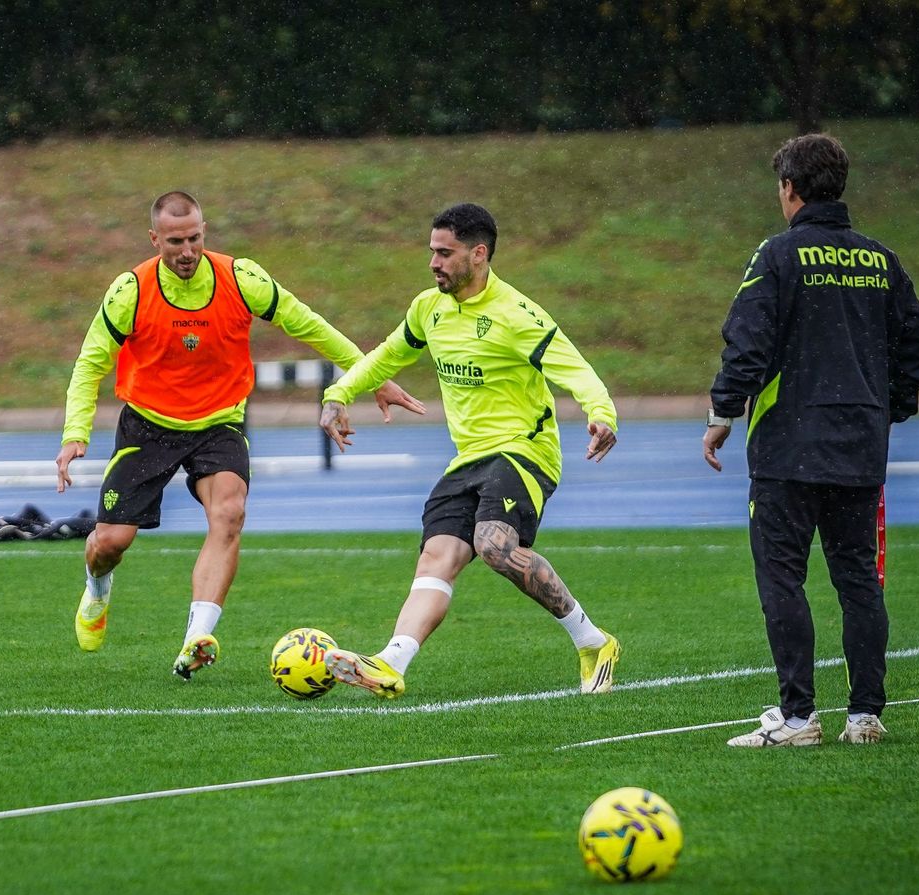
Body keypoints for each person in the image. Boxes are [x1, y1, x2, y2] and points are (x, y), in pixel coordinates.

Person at [54, 191, 424, 679]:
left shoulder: (241, 278)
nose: (186, 251)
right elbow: (90, 363)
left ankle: (196, 639)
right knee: (110, 544)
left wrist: (371, 377)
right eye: (174, 242)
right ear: (154, 239)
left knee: (229, 513)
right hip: (148, 424)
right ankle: (97, 591)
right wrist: (74, 432)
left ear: (204, 232)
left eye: (194, 239)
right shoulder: (131, 291)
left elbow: (309, 325)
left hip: (219, 423)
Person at [318, 202, 621, 699]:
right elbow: (386, 356)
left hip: (526, 451)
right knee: (435, 558)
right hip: (468, 458)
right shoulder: (428, 308)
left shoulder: (517, 314)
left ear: (478, 254)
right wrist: (338, 395)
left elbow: (575, 367)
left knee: (493, 544)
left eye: (445, 253)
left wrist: (601, 410)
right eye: (431, 252)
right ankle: (391, 663)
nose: (433, 262)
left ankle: (589, 641)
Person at [704, 133, 919, 748]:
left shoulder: (777, 256)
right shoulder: (880, 260)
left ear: (790, 189)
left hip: (788, 447)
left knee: (783, 576)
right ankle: (865, 716)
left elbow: (748, 341)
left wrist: (723, 411)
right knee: (858, 580)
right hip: (860, 447)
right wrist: (889, 407)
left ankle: (800, 719)